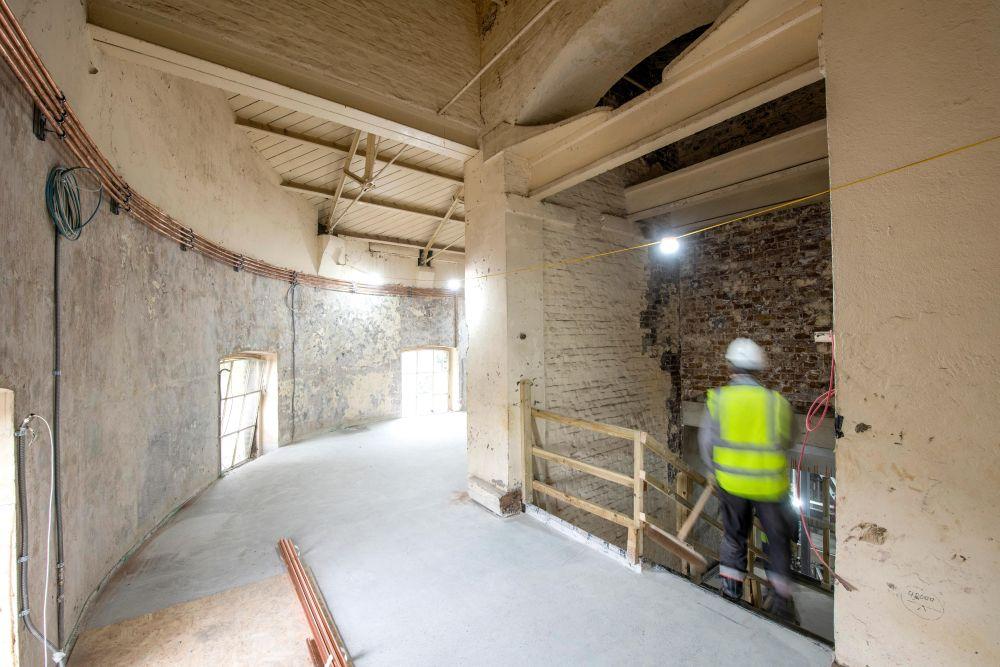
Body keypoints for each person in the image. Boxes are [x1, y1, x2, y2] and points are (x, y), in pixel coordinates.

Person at [698, 338, 796, 619]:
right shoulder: (775, 403)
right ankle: (780, 600)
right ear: (759, 370)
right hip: (770, 487)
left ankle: (731, 590)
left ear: (730, 368)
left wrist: (716, 471)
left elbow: (706, 444)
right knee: (776, 540)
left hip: (732, 485)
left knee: (734, 536)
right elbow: (788, 440)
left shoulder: (718, 399)